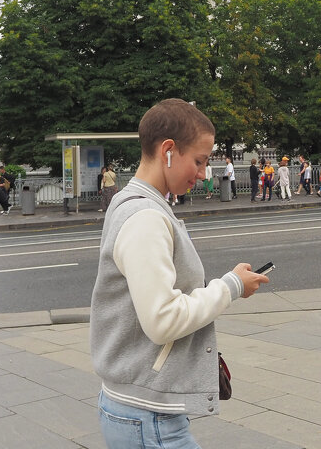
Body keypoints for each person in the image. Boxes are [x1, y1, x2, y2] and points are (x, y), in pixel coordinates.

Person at [90, 99, 268, 448]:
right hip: (149, 416)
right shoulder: (146, 218)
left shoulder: (133, 204)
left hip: (138, 407)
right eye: (199, 161)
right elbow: (163, 320)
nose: (203, 173)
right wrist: (230, 287)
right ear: (168, 150)